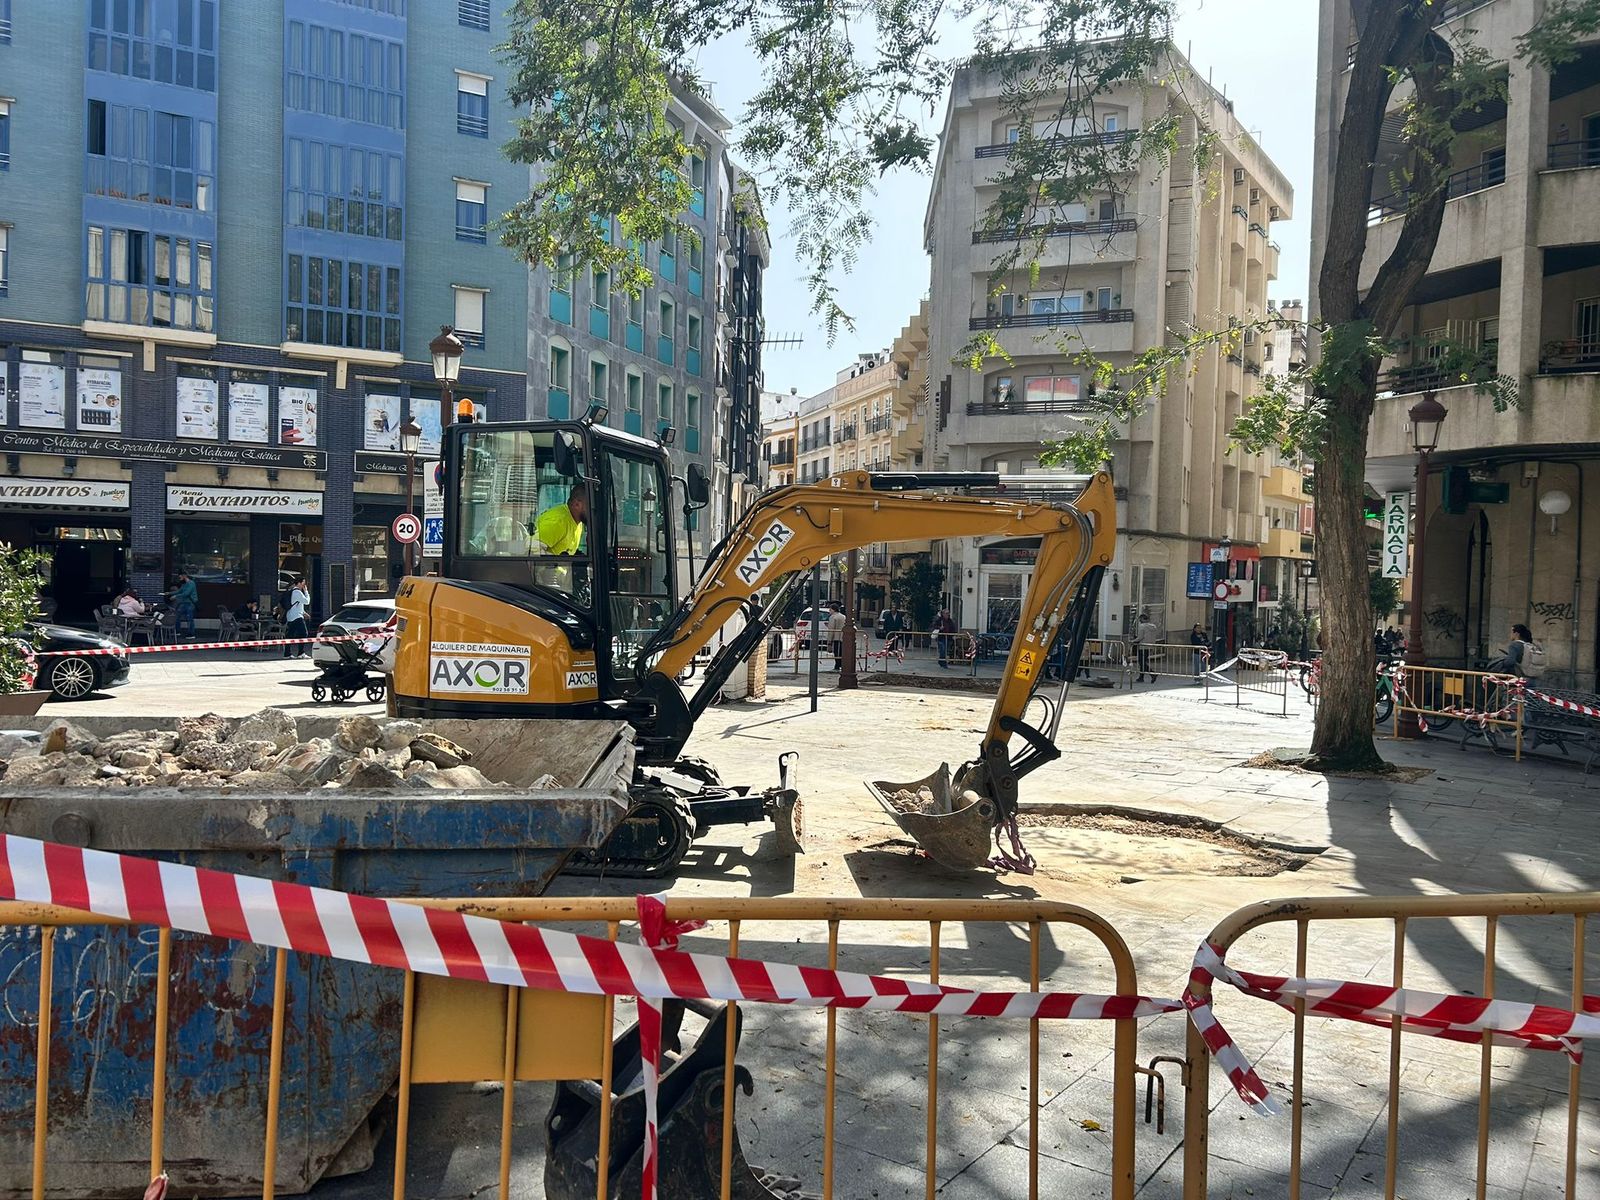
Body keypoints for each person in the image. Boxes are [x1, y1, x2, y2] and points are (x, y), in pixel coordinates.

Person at [535, 484, 588, 555]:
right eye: (589, 506)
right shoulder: (558, 521)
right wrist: (558, 562)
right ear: (577, 504)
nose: (593, 511)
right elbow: (531, 550)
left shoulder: (578, 521)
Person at [282, 576, 310, 658]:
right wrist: (306, 592)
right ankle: (301, 653)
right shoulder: (297, 592)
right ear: (300, 583)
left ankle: (287, 653)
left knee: (290, 634)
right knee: (304, 633)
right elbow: (306, 601)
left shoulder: (292, 591)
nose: (304, 585)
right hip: (297, 617)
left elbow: (297, 605)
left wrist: (304, 612)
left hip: (291, 616)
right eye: (303, 583)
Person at [1134, 610, 1159, 683]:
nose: (1140, 621)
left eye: (1140, 619)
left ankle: (1152, 673)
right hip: (1150, 646)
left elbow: (1140, 637)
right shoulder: (1153, 627)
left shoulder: (1142, 627)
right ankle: (1141, 677)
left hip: (1143, 646)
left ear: (1142, 619)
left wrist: (1133, 641)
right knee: (1143, 661)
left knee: (1141, 662)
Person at [171, 573, 198, 640]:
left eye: (180, 577)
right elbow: (179, 591)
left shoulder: (191, 583)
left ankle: (191, 634)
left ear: (184, 576)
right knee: (177, 616)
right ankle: (177, 631)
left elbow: (186, 593)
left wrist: (175, 596)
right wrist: (168, 593)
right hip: (184, 603)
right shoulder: (184, 584)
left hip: (190, 603)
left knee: (189, 619)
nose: (179, 579)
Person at [827, 602, 846, 670]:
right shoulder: (843, 616)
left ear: (833, 609)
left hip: (836, 637)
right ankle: (841, 664)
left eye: (830, 609)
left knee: (837, 652)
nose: (829, 611)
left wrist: (829, 641)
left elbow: (831, 629)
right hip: (843, 637)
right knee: (842, 652)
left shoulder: (833, 617)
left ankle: (837, 665)